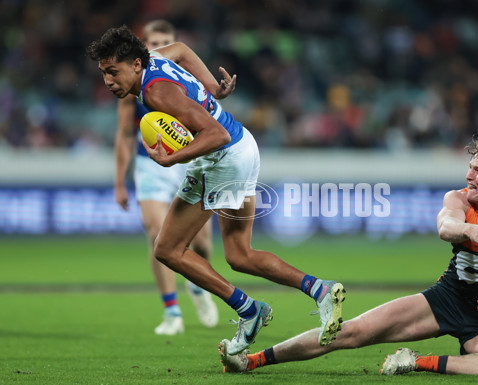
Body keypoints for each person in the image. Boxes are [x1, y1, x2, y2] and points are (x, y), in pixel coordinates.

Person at [87, 25, 345, 355]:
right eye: (103, 73)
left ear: (135, 65)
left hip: (223, 156)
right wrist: (211, 86)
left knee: (167, 249)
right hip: (243, 146)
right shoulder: (151, 58)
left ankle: (249, 310)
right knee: (240, 254)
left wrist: (171, 160)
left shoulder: (156, 93)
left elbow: (216, 135)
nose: (108, 81)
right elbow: (179, 48)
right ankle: (319, 289)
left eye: (112, 72)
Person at [219, 137, 478, 375]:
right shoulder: (460, 199)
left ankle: (415, 362)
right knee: (350, 333)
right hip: (445, 299)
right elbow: (445, 226)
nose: (469, 175)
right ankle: (252, 361)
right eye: (470, 167)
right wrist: (470, 231)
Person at [113, 20, 218, 335]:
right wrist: (120, 181)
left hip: (190, 160)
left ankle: (197, 285)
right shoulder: (132, 87)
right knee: (157, 233)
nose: (158, 45)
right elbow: (125, 134)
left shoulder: (178, 74)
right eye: (153, 41)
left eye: (164, 41)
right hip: (151, 164)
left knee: (201, 242)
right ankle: (172, 311)